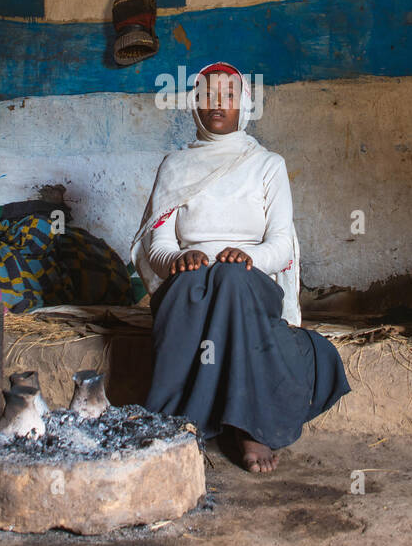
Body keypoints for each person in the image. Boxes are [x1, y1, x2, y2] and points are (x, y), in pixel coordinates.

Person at [131, 61, 350, 472]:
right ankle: (176, 426)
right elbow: (157, 245)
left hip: (250, 281)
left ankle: (252, 427)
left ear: (244, 106)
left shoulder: (267, 165)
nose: (218, 104)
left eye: (228, 95)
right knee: (200, 278)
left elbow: (282, 244)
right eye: (208, 95)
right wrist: (178, 259)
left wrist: (251, 258)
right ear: (195, 105)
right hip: (190, 285)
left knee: (232, 277)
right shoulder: (174, 166)